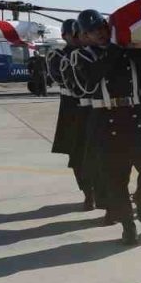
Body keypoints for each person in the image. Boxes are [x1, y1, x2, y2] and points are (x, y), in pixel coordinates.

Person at [73, 9, 141, 245]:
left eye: (102, 28)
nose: (99, 34)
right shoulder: (83, 56)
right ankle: (128, 226)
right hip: (105, 119)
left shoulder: (126, 53)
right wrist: (116, 49)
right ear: (85, 36)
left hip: (133, 116)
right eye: (92, 32)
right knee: (116, 180)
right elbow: (90, 80)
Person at [48, 19, 94, 210]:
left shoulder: (90, 53)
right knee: (77, 155)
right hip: (72, 109)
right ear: (64, 36)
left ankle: (100, 192)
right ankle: (88, 193)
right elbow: (61, 77)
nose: (77, 38)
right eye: (72, 35)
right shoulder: (58, 55)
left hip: (91, 108)